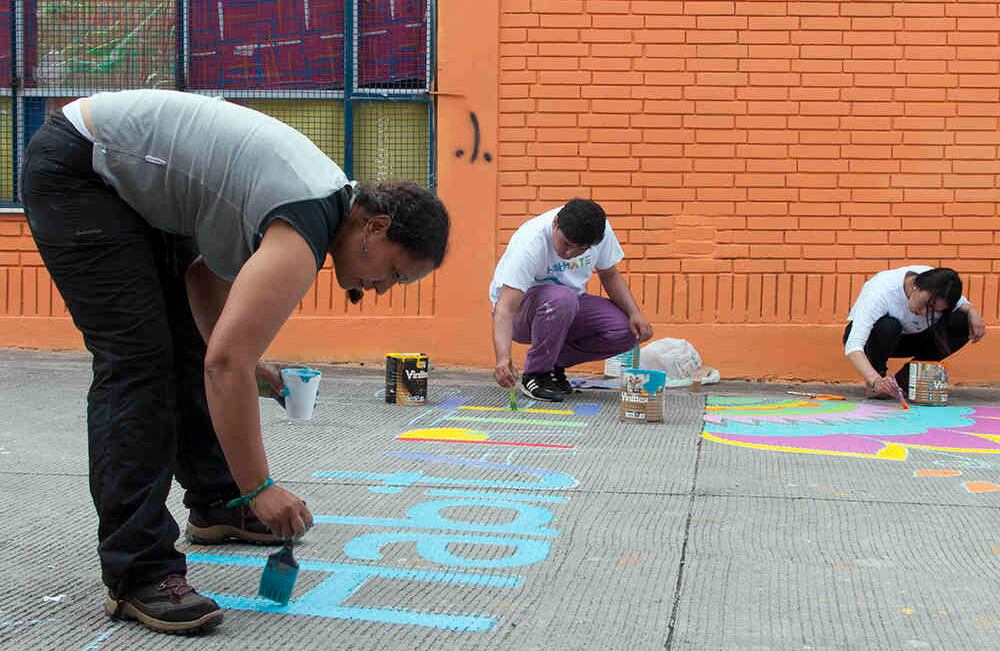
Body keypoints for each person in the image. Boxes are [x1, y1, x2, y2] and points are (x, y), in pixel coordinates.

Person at [20, 89, 449, 634]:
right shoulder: (304, 225)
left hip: (127, 183)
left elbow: (204, 280)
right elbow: (224, 366)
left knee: (188, 351)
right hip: (83, 169)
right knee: (139, 365)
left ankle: (218, 504)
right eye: (396, 273)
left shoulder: (311, 205)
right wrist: (261, 485)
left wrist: (250, 362)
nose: (385, 289)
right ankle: (138, 572)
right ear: (378, 227)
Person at [490, 199, 653, 401]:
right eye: (565, 243)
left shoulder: (600, 232)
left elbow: (609, 275)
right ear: (555, 223)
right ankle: (537, 374)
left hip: (567, 307)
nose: (569, 253)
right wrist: (503, 358)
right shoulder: (531, 242)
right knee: (562, 298)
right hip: (521, 315)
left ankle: (552, 365)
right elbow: (505, 308)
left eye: (580, 249)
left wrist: (634, 313)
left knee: (627, 331)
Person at [843, 266, 986, 398]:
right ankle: (877, 383)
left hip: (914, 339)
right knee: (889, 326)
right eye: (925, 304)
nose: (923, 313)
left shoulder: (944, 287)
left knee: (963, 321)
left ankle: (901, 382)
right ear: (915, 285)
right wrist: (875, 380)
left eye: (934, 311)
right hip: (877, 339)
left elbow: (962, 303)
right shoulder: (880, 291)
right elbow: (853, 345)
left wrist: (972, 311)